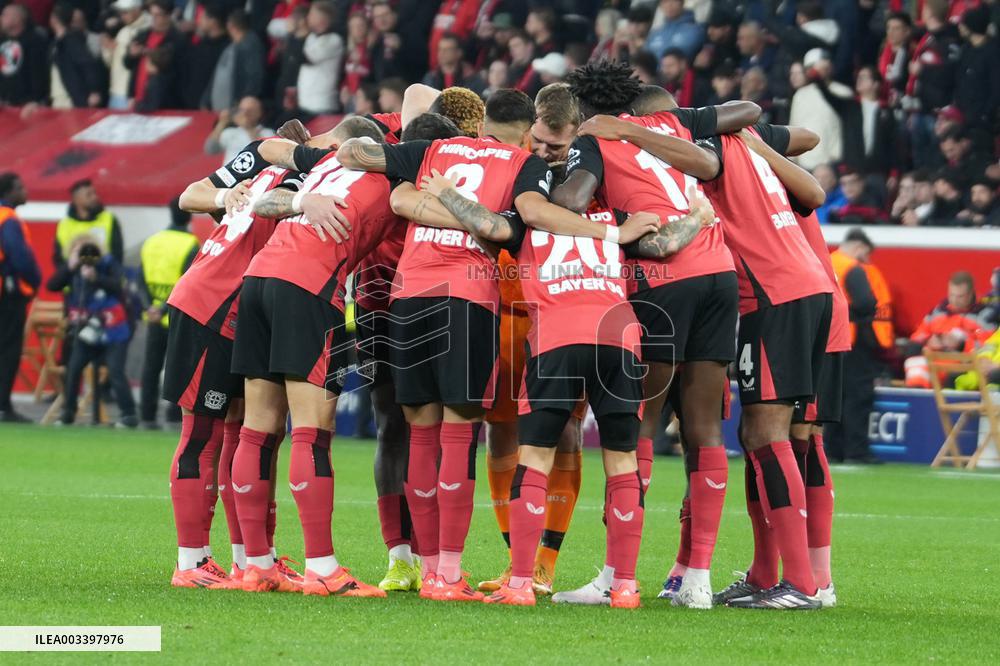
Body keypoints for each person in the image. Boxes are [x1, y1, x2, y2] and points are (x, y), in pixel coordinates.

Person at [336, 88, 658, 602]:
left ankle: (441, 569)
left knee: (426, 435)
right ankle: (457, 573)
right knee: (482, 436)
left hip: (411, 293)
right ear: (529, 132)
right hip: (486, 303)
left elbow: (368, 165)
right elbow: (512, 221)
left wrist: (435, 202)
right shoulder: (525, 165)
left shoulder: (437, 150)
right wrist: (488, 220)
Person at [552, 69, 760, 608]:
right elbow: (744, 110)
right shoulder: (670, 122)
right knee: (705, 428)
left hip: (665, 279)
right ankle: (697, 580)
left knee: (637, 423)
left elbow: (573, 200)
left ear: (583, 105)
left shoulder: (592, 138)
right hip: (719, 270)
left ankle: (616, 577)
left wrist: (562, 185)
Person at [227, 116, 407, 598]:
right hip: (309, 287)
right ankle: (323, 570)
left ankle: (257, 565)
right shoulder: (394, 174)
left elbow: (268, 176)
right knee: (312, 430)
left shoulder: (326, 164)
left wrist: (303, 199)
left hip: (257, 280)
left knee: (258, 428)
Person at [164, 132, 312, 590]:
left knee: (241, 432)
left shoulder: (269, 170)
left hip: (241, 308)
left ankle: (250, 558)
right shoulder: (296, 177)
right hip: (211, 304)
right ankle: (191, 563)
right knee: (202, 432)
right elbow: (191, 195)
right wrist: (227, 193)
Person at [49, 237, 137, 428]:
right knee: (73, 368)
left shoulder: (108, 265)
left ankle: (129, 415)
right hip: (86, 331)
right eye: (81, 252)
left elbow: (118, 286)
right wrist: (69, 267)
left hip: (113, 329)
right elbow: (52, 285)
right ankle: (68, 413)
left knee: (115, 370)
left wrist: (96, 277)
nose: (86, 257)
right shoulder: (73, 270)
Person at [827, 229, 890, 465]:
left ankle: (833, 450)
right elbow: (866, 301)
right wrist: (854, 315)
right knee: (858, 396)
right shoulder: (853, 268)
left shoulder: (827, 261)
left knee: (833, 397)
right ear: (860, 248)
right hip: (852, 340)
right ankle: (857, 451)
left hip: (828, 340)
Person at [137, 198, 199, 429]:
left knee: (150, 367)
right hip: (176, 315)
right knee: (177, 366)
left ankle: (147, 415)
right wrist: (164, 308)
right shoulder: (191, 244)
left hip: (152, 314)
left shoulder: (152, 241)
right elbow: (186, 282)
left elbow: (140, 280)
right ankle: (173, 416)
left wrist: (150, 308)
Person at [0, 173, 41, 423]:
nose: (25, 191)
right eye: (20, 187)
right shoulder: (10, 219)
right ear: (8, 192)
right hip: (7, 293)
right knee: (8, 348)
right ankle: (3, 405)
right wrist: (34, 281)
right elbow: (19, 257)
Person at [124, 0, 187, 112]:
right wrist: (131, 54)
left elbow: (180, 71)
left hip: (163, 100)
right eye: (152, 14)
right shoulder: (142, 35)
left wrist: (154, 57)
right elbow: (127, 64)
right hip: (137, 98)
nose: (154, 19)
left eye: (158, 15)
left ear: (168, 15)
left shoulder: (178, 39)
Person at [203, 8, 265, 112]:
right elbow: (216, 76)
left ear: (230, 25)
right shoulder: (232, 47)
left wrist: (242, 105)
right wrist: (206, 98)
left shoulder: (250, 47)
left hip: (237, 111)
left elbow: (254, 78)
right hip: (224, 110)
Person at [54, 180, 123, 269]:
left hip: (103, 278)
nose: (94, 197)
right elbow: (59, 259)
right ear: (76, 200)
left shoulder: (109, 219)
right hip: (73, 279)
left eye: (94, 193)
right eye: (89, 195)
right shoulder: (64, 225)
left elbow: (117, 255)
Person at [48, 2, 103, 108]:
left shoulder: (72, 40)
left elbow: (88, 63)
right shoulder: (56, 43)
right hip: (59, 99)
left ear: (53, 19)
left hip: (72, 100)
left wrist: (94, 90)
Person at [296, 1, 343, 115]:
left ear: (322, 20)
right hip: (304, 101)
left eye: (312, 15)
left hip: (321, 104)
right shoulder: (312, 36)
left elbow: (305, 58)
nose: (307, 18)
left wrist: (298, 35)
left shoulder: (333, 40)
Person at [0, 3, 49, 107]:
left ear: (17, 19)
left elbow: (39, 73)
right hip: (5, 106)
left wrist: (36, 100)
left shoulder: (35, 40)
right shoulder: (2, 42)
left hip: (28, 107)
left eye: (5, 15)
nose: (1, 18)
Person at [106, 0, 149, 110]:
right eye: (120, 12)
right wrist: (107, 49)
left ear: (137, 10)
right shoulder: (123, 31)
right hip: (116, 91)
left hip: (132, 94)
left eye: (125, 12)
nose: (122, 16)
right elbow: (111, 61)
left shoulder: (149, 28)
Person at [204, 96, 274, 163]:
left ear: (259, 112)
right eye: (242, 110)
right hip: (230, 173)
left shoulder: (268, 133)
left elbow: (265, 154)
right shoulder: (231, 132)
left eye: (250, 110)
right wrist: (222, 122)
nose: (245, 113)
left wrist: (248, 128)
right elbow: (211, 149)